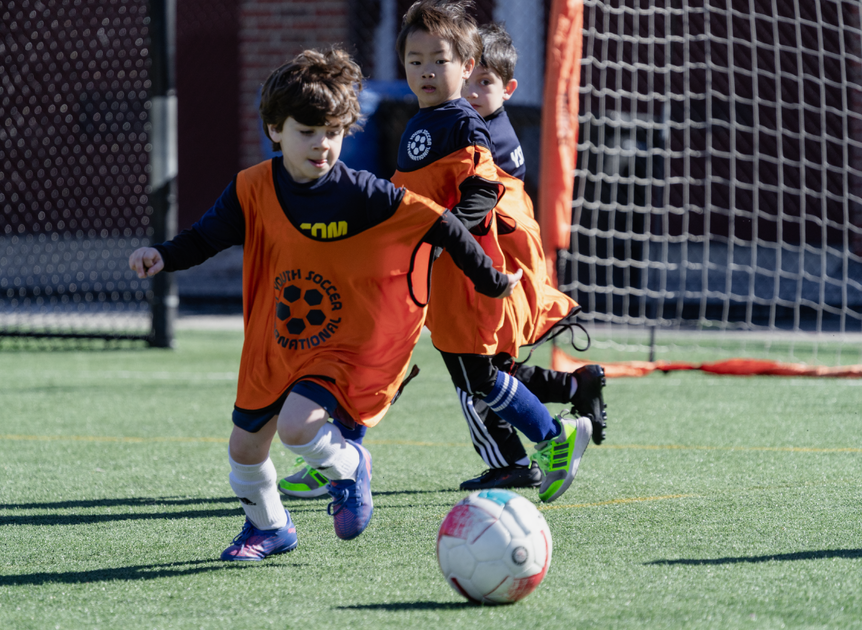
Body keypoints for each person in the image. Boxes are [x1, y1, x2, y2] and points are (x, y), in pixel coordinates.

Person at [129, 48, 521, 560]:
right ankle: (270, 529)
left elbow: (441, 222)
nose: (322, 145)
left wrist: (490, 280)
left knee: (297, 426)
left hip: (339, 343)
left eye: (333, 132)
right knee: (244, 453)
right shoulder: (251, 188)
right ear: (275, 129)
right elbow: (207, 237)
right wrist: (162, 255)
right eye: (307, 132)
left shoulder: (362, 193)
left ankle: (349, 466)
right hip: (274, 340)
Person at [390, 0, 592, 504]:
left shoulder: (462, 122)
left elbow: (482, 193)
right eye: (415, 61)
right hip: (439, 272)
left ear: (466, 65)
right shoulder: (424, 120)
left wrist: (447, 238)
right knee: (469, 373)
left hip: (466, 271)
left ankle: (552, 437)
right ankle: (530, 451)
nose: (426, 71)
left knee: (477, 374)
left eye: (439, 60)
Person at [452, 21, 609, 492]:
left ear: (509, 88)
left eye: (487, 83)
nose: (475, 92)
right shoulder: (484, 127)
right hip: (504, 269)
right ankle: (574, 388)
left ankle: (513, 459)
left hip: (498, 273)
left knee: (475, 378)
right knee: (495, 371)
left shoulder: (482, 137)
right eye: (470, 81)